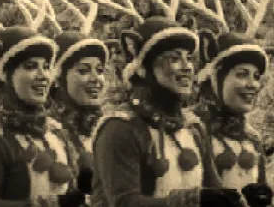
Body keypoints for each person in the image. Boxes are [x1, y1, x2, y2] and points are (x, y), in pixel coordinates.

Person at [90, 16, 243, 207]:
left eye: (189, 58)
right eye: (174, 58)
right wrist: (190, 200)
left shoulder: (193, 127)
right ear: (144, 68)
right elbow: (123, 202)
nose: (187, 67)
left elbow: (213, 188)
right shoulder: (120, 128)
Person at [0, 25, 87, 207]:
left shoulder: (55, 131)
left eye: (46, 67)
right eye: (30, 67)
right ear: (5, 74)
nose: (43, 75)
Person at [195, 27, 273, 207]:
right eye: (242, 74)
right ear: (215, 77)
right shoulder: (189, 128)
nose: (253, 85)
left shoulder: (251, 137)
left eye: (256, 76)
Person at [46, 20, 110, 200]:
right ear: (58, 79)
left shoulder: (110, 125)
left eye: (100, 70)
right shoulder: (46, 132)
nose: (95, 79)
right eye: (83, 71)